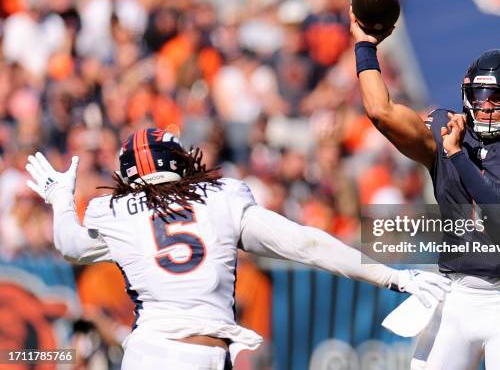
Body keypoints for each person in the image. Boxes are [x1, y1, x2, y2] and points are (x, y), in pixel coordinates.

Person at [24, 128, 451, 370]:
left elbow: (69, 246)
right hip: (203, 354)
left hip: (150, 353)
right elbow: (306, 244)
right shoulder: (222, 196)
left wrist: (61, 198)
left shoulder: (112, 210)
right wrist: (394, 276)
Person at [349, 8, 500, 369]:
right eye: (478, 95)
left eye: (497, 98)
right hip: (454, 297)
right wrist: (365, 45)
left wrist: (456, 155)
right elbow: (381, 112)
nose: (485, 105)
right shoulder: (444, 127)